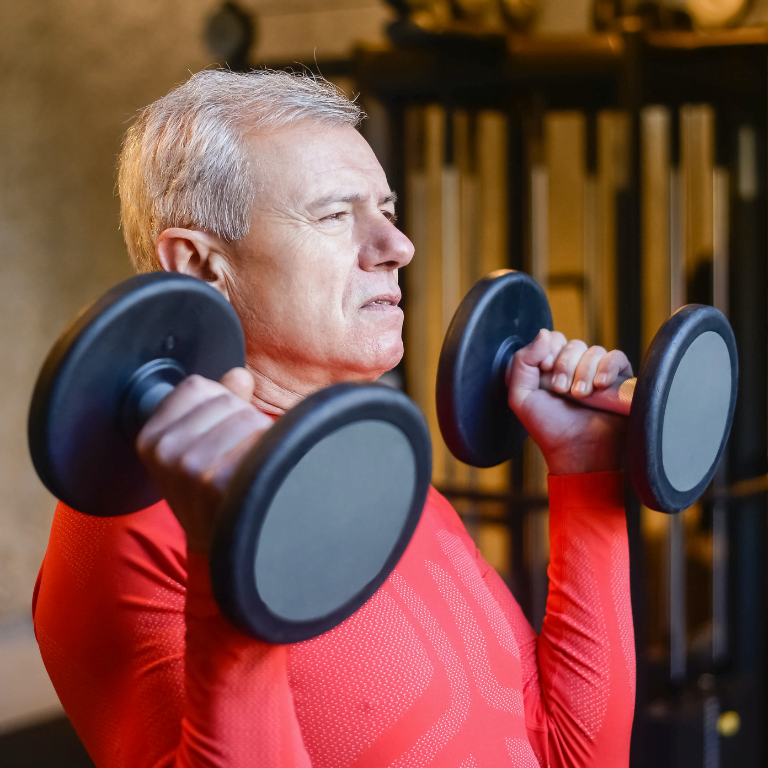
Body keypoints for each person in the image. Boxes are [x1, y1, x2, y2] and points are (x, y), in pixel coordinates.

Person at [32, 69, 635, 768]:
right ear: (200, 264)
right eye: (334, 214)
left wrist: (587, 475)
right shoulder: (124, 524)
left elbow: (571, 756)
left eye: (386, 208)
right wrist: (234, 570)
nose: (397, 246)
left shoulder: (373, 475)